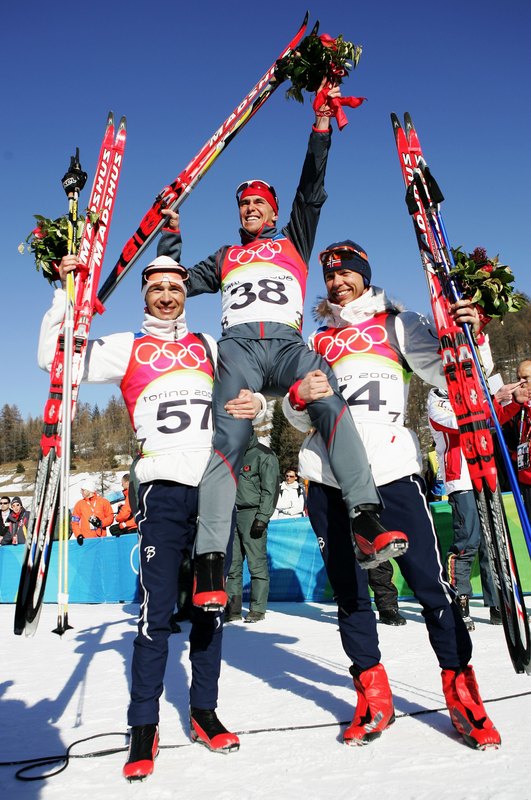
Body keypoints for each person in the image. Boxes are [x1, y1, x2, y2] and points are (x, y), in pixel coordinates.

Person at [158, 86, 407, 609]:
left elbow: (311, 191)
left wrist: (320, 127)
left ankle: (365, 515)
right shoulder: (225, 256)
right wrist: (171, 231)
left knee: (328, 398)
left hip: (290, 346)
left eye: (258, 204)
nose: (250, 209)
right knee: (228, 436)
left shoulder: (294, 239)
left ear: (271, 212)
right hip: (241, 350)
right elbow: (173, 284)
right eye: (244, 204)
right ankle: (208, 562)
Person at [38, 253, 266, 780]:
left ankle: (203, 712)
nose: (167, 295)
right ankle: (143, 724)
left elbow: (247, 396)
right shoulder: (127, 346)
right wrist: (63, 295)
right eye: (157, 287)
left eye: (175, 287)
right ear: (145, 293)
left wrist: (255, 405)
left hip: (213, 487)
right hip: (162, 488)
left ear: (186, 292)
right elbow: (55, 359)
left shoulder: (208, 345)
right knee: (155, 612)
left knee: (212, 607)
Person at [283, 239, 500, 749]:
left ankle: (461, 691)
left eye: (347, 274)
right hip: (329, 477)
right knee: (349, 590)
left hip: (392, 470)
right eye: (330, 276)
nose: (338, 283)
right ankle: (373, 697)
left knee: (428, 583)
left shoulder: (396, 324)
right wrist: (296, 397)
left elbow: (458, 376)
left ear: (364, 274)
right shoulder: (315, 341)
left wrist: (473, 335)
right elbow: (296, 416)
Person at [427, 387, 499, 630]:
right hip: (460, 478)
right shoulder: (436, 398)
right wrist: (484, 408)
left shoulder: (472, 389)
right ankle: (461, 598)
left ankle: (497, 603)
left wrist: (498, 402)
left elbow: (492, 418)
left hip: (486, 473)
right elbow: (454, 423)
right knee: (468, 539)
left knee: (492, 542)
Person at [225, 431, 280, 623]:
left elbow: (270, 489)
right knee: (233, 566)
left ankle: (257, 609)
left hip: (252, 513)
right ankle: (232, 609)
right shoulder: (232, 454)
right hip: (232, 513)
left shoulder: (264, 455)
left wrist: (262, 517)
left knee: (256, 564)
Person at [495, 359, 531, 517]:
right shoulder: (519, 406)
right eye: (518, 379)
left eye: (525, 378)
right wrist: (515, 402)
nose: (520, 383)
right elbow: (494, 421)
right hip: (525, 478)